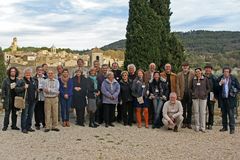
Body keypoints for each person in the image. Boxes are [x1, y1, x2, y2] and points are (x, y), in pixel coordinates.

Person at [217, 67, 240, 134]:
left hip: (231, 99)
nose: (226, 73)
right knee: (223, 114)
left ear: (229, 72)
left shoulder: (233, 79)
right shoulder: (220, 78)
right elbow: (216, 89)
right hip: (223, 99)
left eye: (227, 71)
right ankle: (224, 127)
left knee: (231, 114)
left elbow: (238, 88)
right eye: (224, 71)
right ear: (223, 72)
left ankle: (232, 129)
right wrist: (220, 84)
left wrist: (234, 91)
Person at [16, 67, 37, 134]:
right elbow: (16, 89)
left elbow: (35, 89)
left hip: (32, 100)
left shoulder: (33, 80)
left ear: (31, 73)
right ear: (24, 73)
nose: (28, 74)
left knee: (30, 114)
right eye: (27, 73)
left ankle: (29, 126)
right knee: (24, 114)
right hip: (25, 100)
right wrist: (23, 87)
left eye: (29, 73)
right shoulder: (21, 81)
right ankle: (24, 128)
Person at [190, 68, 210, 132]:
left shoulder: (205, 79)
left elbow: (208, 88)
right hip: (195, 98)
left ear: (201, 72)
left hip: (203, 98)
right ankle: (197, 126)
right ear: (195, 73)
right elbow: (190, 88)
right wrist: (193, 93)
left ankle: (203, 127)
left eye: (198, 71)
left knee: (203, 113)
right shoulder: (193, 79)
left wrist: (205, 94)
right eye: (196, 72)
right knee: (196, 112)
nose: (197, 73)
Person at [1, 67, 21, 131]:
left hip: (16, 99)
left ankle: (14, 126)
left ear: (16, 72)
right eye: (11, 71)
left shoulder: (18, 80)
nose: (13, 72)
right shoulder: (5, 80)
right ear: (9, 72)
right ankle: (5, 126)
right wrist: (3, 98)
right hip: (8, 99)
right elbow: (3, 90)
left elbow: (20, 89)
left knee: (15, 114)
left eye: (14, 71)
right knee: (7, 114)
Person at [177, 62, 195, 129]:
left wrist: (193, 92)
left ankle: (189, 123)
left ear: (188, 67)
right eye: (184, 66)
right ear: (182, 67)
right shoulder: (179, 74)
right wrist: (178, 95)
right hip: (182, 93)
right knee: (183, 109)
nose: (185, 67)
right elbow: (177, 85)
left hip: (190, 93)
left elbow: (195, 83)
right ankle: (184, 123)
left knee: (190, 109)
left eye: (186, 66)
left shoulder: (192, 74)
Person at [204, 64, 218, 130]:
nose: (207, 69)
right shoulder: (202, 77)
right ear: (205, 69)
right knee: (203, 111)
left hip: (212, 95)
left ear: (211, 70)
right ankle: (203, 123)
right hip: (203, 95)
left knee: (211, 111)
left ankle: (210, 124)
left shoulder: (214, 78)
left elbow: (216, 88)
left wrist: (215, 97)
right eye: (206, 68)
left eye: (209, 68)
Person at [33, 66, 47, 130]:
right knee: (36, 111)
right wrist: (36, 89)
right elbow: (32, 86)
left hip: (44, 97)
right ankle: (37, 124)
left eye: (41, 70)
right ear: (36, 71)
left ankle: (44, 123)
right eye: (38, 70)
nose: (40, 71)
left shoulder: (46, 78)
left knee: (44, 111)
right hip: (37, 97)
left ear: (43, 71)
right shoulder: (33, 78)